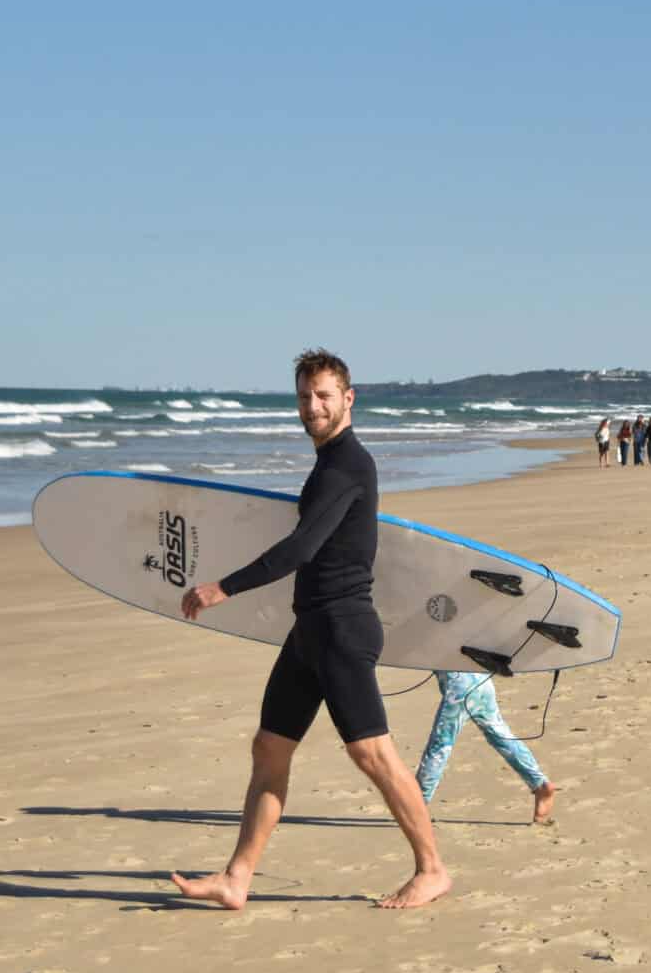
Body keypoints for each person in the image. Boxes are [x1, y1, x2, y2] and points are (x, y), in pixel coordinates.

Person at [170, 350, 451, 912]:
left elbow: (301, 548)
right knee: (270, 746)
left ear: (349, 398)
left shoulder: (347, 464)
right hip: (311, 630)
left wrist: (222, 587)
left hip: (343, 628)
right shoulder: (328, 464)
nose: (312, 406)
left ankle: (433, 869)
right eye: (304, 396)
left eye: (324, 395)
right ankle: (237, 877)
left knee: (372, 754)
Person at [416, 670, 556, 823]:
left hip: (459, 687)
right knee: (501, 736)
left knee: (440, 744)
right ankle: (540, 784)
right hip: (482, 681)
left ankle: (416, 803)